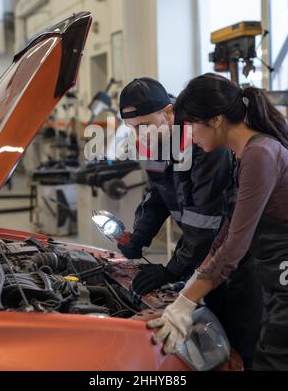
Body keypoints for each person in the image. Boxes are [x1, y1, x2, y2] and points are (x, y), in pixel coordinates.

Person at [147, 73, 288, 371]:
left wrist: (186, 302)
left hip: (283, 273)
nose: (191, 138)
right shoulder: (243, 155)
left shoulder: (260, 155)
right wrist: (193, 284)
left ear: (215, 120)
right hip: (275, 275)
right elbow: (227, 229)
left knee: (272, 361)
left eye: (192, 126)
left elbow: (237, 244)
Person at [119, 77, 262, 369]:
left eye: (144, 125)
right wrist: (139, 237)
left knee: (240, 343)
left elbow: (205, 223)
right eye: (132, 129)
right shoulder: (154, 143)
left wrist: (170, 270)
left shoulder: (205, 142)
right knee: (211, 338)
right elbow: (156, 195)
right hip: (206, 256)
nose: (139, 136)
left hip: (239, 259)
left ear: (169, 113)